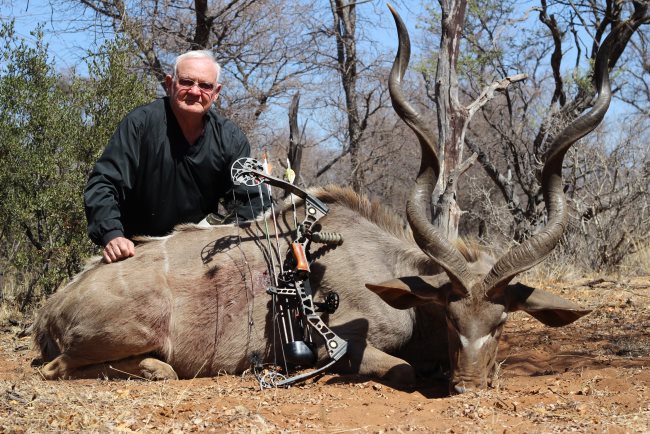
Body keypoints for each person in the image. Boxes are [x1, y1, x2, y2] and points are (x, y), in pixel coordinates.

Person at [84, 50, 266, 264]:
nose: (195, 91)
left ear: (216, 92)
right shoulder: (140, 123)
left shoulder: (233, 139)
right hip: (136, 253)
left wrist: (223, 239)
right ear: (170, 83)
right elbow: (103, 183)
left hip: (198, 256)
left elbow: (255, 201)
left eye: (205, 86)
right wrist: (112, 234)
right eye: (187, 82)